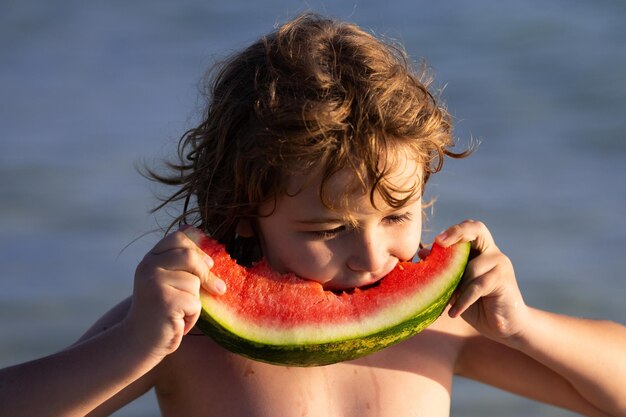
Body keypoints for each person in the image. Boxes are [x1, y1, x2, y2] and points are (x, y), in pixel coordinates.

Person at [1, 13, 624, 417]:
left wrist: (524, 326)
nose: (374, 256)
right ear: (244, 213)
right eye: (326, 229)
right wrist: (134, 345)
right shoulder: (191, 325)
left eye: (398, 215)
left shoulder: (441, 322)